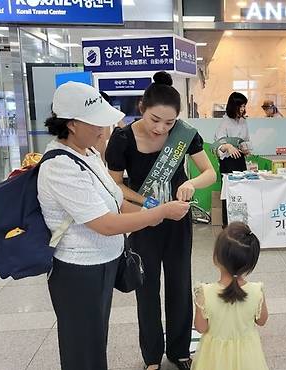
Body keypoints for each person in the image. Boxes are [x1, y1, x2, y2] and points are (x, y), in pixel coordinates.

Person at [38, 81, 190, 370]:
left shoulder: (89, 154)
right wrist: (159, 214)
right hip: (77, 270)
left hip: (103, 262)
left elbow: (117, 200)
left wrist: (160, 212)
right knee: (83, 347)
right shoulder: (60, 166)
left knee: (96, 341)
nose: (103, 130)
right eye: (96, 124)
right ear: (71, 124)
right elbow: (105, 224)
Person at [105, 71, 216, 370]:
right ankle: (151, 356)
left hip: (178, 219)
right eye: (155, 120)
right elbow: (114, 185)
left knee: (180, 285)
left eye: (168, 123)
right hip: (143, 222)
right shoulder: (122, 138)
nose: (161, 128)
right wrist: (148, 203)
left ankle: (179, 351)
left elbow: (210, 173)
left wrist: (193, 184)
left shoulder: (184, 134)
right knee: (147, 287)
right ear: (141, 107)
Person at [192, 222, 269, 370]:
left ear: (216, 258)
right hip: (248, 355)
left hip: (214, 357)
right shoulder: (256, 291)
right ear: (250, 264)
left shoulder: (205, 293)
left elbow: (201, 328)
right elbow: (262, 321)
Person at [214, 92, 251, 226]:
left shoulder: (243, 121)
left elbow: (246, 140)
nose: (242, 109)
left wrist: (245, 148)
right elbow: (217, 147)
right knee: (228, 194)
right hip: (228, 163)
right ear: (232, 106)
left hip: (240, 161)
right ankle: (227, 225)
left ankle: (241, 223)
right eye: (240, 106)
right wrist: (228, 146)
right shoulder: (224, 123)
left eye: (244, 106)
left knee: (242, 192)